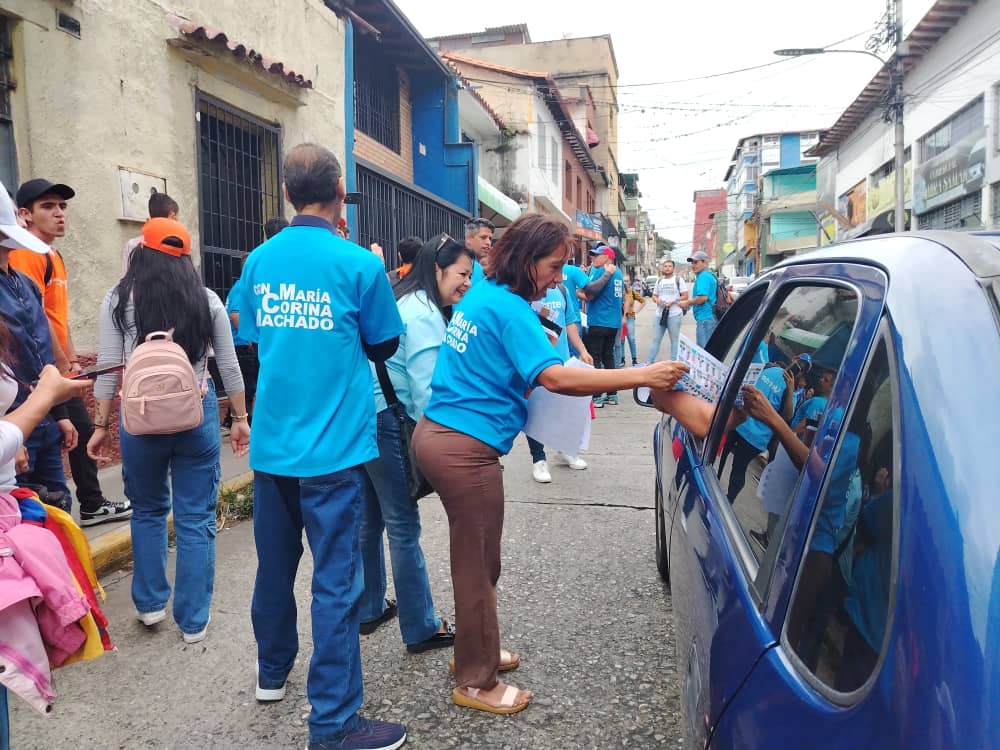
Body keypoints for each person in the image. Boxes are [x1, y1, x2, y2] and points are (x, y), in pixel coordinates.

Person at [412, 213, 688, 716]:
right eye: (555, 266)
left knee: (479, 561)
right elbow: (556, 379)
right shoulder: (510, 308)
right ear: (526, 259)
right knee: (477, 565)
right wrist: (640, 374)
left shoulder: (485, 294)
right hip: (463, 448)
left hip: (442, 436)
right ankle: (476, 681)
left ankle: (474, 651)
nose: (560, 278)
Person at [231, 143, 407, 750]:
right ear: (339, 190)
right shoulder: (359, 265)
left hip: (273, 446)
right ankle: (333, 723)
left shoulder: (258, 261)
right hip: (333, 451)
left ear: (286, 194)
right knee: (336, 584)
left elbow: (247, 336)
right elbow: (384, 344)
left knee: (274, 570)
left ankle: (272, 673)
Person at [87, 217, 249, 645]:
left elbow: (107, 369)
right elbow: (228, 366)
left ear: (141, 252)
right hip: (195, 416)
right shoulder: (206, 298)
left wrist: (100, 426)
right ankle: (193, 620)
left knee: (147, 510)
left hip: (139, 424)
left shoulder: (117, 300)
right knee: (195, 518)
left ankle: (150, 604)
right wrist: (240, 418)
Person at [359, 234, 473, 653]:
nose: (467, 283)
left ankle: (369, 606)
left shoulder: (403, 298)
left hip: (367, 415)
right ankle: (420, 627)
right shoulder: (424, 314)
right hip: (392, 420)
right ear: (438, 269)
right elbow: (427, 393)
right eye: (462, 274)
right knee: (403, 527)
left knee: (370, 521)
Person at [10, 179, 129, 524]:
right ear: (24, 215)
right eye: (48, 207)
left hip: (58, 366)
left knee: (75, 431)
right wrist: (63, 364)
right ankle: (78, 508)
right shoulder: (26, 253)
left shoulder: (51, 255)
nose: (59, 214)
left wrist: (73, 361)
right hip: (39, 370)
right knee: (66, 435)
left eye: (62, 206)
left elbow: (59, 317)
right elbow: (34, 316)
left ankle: (84, 505)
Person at [526, 276, 594, 483]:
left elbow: (570, 322)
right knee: (536, 411)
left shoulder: (562, 290)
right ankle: (538, 459)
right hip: (537, 362)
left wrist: (582, 350)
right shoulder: (527, 289)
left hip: (562, 360)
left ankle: (566, 449)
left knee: (565, 408)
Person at [582, 243, 625, 407]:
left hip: (599, 320)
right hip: (613, 321)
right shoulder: (618, 272)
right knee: (609, 356)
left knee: (596, 357)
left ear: (607, 256)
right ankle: (612, 394)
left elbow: (590, 292)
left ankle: (597, 396)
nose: (593, 258)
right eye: (592, 255)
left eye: (596, 255)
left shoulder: (601, 270)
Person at [122, 192, 179, 274]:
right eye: (175, 218)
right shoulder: (176, 246)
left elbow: (125, 280)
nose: (177, 221)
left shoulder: (132, 245)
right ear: (171, 216)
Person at [647, 260, 688, 363]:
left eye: (669, 266)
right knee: (656, 340)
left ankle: (673, 363)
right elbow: (654, 296)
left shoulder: (679, 280)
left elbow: (685, 296)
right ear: (663, 268)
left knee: (674, 340)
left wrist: (673, 301)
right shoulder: (659, 281)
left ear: (673, 268)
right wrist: (658, 300)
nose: (667, 268)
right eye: (665, 266)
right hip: (660, 314)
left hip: (674, 314)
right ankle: (649, 362)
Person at [679, 250, 718, 347]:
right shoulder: (709, 275)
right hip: (709, 317)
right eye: (692, 262)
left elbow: (702, 298)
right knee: (709, 349)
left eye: (696, 262)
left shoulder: (703, 276)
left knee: (704, 352)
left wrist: (686, 303)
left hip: (705, 319)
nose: (693, 265)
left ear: (705, 263)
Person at [621, 277, 646, 366]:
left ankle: (634, 359)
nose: (625, 282)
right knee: (622, 339)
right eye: (624, 280)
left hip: (630, 318)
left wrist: (637, 310)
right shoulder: (619, 292)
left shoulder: (632, 292)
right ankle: (622, 359)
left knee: (631, 338)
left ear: (630, 282)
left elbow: (643, 301)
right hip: (621, 319)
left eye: (627, 280)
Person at [465, 217, 494, 284]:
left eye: (490, 239)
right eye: (483, 237)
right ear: (468, 238)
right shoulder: (455, 263)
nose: (488, 242)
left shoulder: (489, 268)